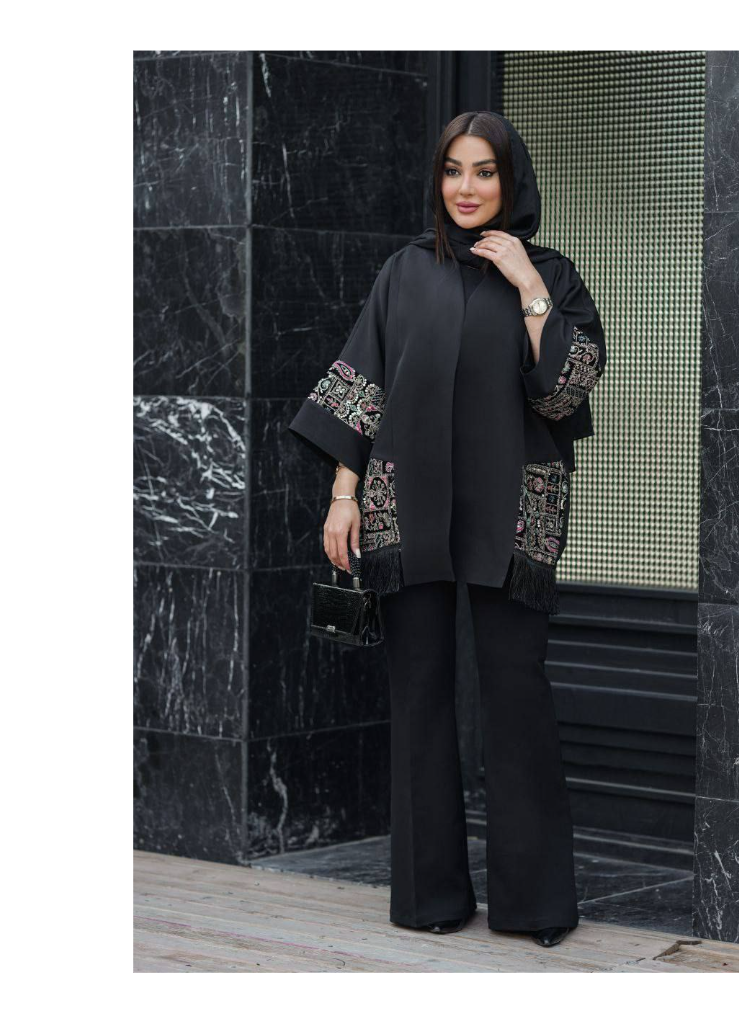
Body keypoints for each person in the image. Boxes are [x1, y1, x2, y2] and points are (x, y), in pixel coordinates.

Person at [289, 111, 606, 948]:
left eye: (485, 172)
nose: (467, 188)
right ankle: (430, 895)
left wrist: (527, 287)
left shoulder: (553, 274)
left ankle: (535, 904)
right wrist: (343, 496)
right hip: (406, 503)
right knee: (419, 694)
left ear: (512, 181)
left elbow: (563, 393)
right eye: (454, 171)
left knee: (517, 696)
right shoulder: (405, 272)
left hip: (514, 509)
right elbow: (363, 388)